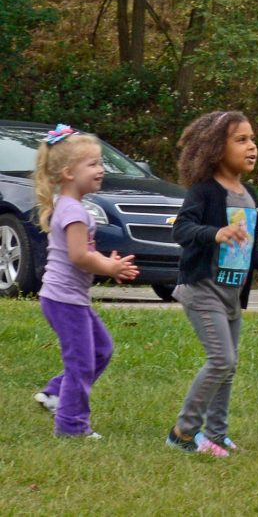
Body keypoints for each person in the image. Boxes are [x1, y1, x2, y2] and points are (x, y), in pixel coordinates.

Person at [165, 110, 258, 457]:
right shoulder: (204, 192)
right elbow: (182, 229)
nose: (252, 147)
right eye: (241, 140)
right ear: (216, 149)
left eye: (253, 140)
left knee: (229, 367)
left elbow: (249, 242)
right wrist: (215, 232)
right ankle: (182, 433)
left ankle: (216, 435)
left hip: (232, 292)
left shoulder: (248, 194)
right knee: (221, 360)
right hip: (203, 289)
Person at [32, 124, 139, 437]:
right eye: (92, 164)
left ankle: (56, 393)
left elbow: (81, 253)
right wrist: (110, 266)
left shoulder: (73, 208)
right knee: (81, 362)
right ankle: (71, 425)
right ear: (68, 173)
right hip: (63, 299)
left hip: (68, 298)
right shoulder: (74, 212)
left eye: (100, 162)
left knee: (101, 349)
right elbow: (79, 256)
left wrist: (108, 264)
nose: (100, 169)